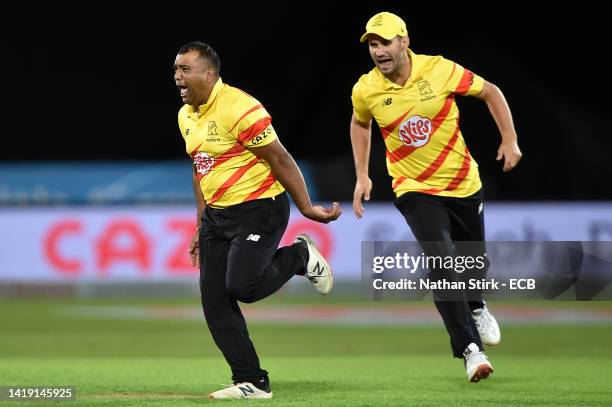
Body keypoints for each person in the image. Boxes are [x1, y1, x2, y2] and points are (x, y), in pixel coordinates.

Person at [350, 12, 522, 382]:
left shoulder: (439, 69)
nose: (378, 50)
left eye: (385, 42)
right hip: (414, 188)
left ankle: (476, 305)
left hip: (463, 182)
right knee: (442, 260)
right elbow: (359, 122)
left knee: (474, 262)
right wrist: (362, 174)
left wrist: (509, 138)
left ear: (404, 42)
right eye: (372, 44)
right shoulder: (366, 89)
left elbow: (490, 91)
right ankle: (470, 350)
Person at [174, 41, 342, 399]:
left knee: (242, 287)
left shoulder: (241, 107)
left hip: (260, 208)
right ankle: (251, 381)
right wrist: (200, 222)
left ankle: (301, 256)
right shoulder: (186, 115)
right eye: (175, 70)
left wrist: (308, 208)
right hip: (218, 217)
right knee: (214, 301)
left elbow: (280, 159)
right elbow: (199, 169)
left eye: (184, 69)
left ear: (210, 73)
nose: (177, 77)